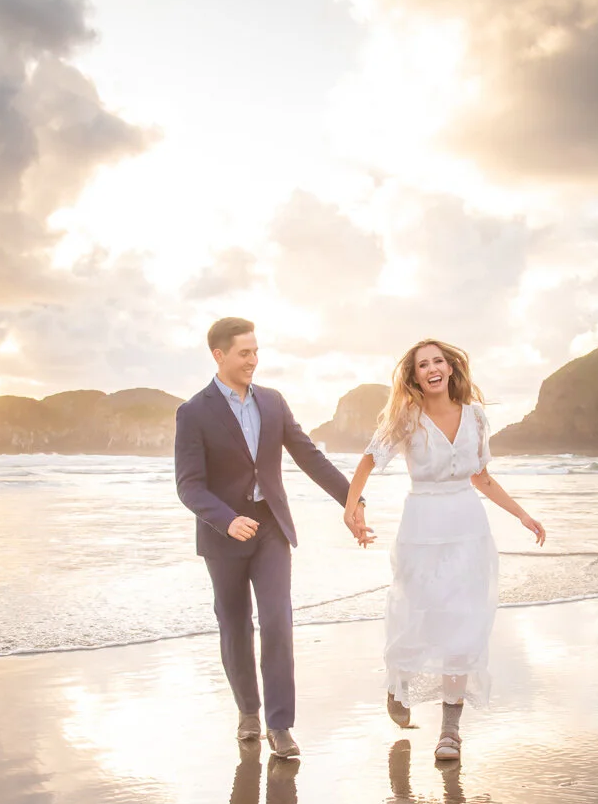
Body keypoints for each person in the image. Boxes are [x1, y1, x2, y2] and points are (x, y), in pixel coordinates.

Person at [343, 340, 544, 760]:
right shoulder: (406, 418)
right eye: (422, 364)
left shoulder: (475, 417)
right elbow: (368, 461)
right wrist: (352, 509)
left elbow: (482, 477)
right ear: (414, 376)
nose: (432, 368)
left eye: (438, 361)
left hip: (469, 530)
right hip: (421, 528)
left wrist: (522, 515)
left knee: (464, 626)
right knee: (415, 615)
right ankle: (398, 686)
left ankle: (449, 732)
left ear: (450, 368)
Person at [175, 317, 357, 759]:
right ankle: (249, 713)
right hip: (225, 536)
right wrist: (225, 518)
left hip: (272, 526)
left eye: (256, 351)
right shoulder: (194, 412)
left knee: (277, 620)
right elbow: (189, 484)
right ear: (219, 356)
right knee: (235, 626)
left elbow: (309, 457)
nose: (254, 360)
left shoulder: (273, 403)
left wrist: (352, 501)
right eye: (244, 353)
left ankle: (280, 726)